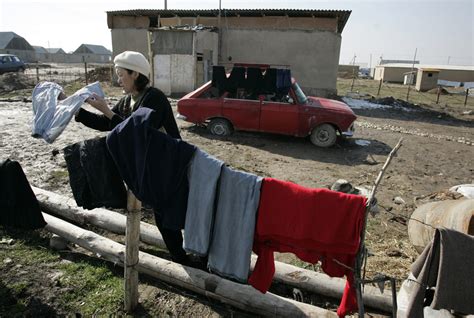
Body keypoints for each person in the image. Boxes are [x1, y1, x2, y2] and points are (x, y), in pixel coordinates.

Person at [75, 51, 189, 265]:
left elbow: (135, 132)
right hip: (151, 167)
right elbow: (107, 124)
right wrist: (77, 111)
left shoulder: (154, 97)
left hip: (170, 165)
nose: (118, 80)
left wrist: (108, 111)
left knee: (172, 214)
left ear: (135, 74)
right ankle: (181, 257)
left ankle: (187, 259)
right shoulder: (128, 100)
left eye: (121, 75)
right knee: (163, 215)